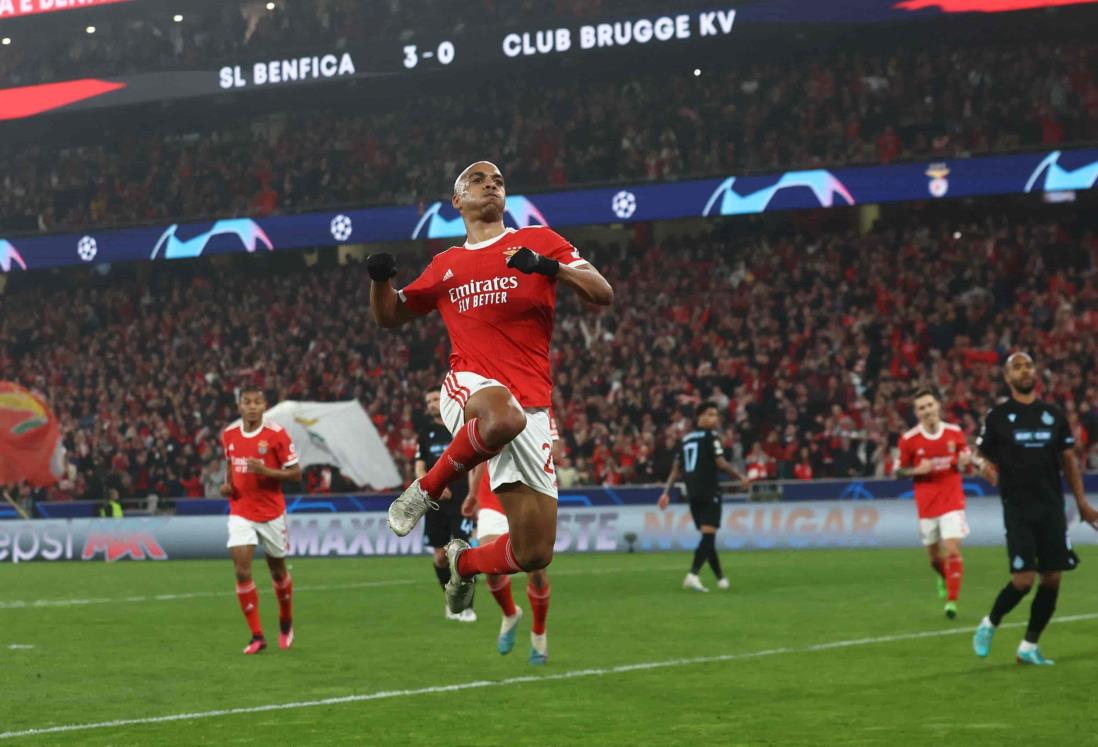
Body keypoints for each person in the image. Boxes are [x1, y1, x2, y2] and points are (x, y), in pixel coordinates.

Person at [368, 160, 612, 614]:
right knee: (503, 414)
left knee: (535, 553)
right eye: (478, 180)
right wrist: (380, 280)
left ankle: (465, 564)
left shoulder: (539, 241)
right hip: (470, 387)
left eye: (498, 181)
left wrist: (548, 267)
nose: (492, 185)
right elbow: (389, 316)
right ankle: (424, 491)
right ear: (457, 200)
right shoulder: (447, 265)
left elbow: (602, 291)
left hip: (533, 407)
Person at [971, 353, 1098, 665]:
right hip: (1018, 509)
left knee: (1052, 579)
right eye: (1017, 366)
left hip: (1052, 508)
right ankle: (990, 623)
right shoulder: (998, 416)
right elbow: (980, 455)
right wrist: (983, 467)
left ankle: (1029, 646)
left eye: (1028, 365)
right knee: (1023, 580)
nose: (1024, 370)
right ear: (1007, 377)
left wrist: (1082, 502)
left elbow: (1068, 460)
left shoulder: (1052, 415)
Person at [221, 385, 302, 655]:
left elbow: (295, 474)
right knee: (242, 570)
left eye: (257, 402)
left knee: (277, 570)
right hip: (241, 511)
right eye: (247, 402)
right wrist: (227, 486)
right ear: (240, 406)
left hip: (271, 513)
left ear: (264, 405)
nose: (252, 406)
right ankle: (256, 635)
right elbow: (229, 466)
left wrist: (264, 470)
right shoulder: (229, 435)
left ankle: (286, 620)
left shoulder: (276, 435)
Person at [896, 388, 972, 619]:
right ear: (917, 414)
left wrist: (964, 461)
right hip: (927, 504)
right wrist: (916, 470)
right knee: (933, 558)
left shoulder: (955, 432)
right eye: (922, 408)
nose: (927, 410)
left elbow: (963, 461)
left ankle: (951, 601)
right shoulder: (909, 440)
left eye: (930, 405)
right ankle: (942, 576)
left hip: (952, 499)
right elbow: (898, 471)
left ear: (938, 405)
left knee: (951, 549)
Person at [465, 463, 552, 665]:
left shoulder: (546, 428)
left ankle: (539, 633)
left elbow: (552, 454)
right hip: (492, 496)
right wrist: (473, 494)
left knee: (537, 572)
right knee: (491, 567)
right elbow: (476, 455)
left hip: (529, 496)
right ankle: (510, 614)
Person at [657, 402, 749, 592]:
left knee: (708, 537)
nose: (714, 418)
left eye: (716, 415)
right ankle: (693, 574)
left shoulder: (686, 439)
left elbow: (676, 469)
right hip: (708, 491)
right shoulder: (711, 436)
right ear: (700, 417)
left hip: (692, 493)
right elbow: (721, 463)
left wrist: (666, 492)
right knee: (708, 536)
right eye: (710, 414)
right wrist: (740, 476)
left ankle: (721, 578)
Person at [416, 389, 478, 622]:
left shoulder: (460, 426)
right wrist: (429, 487)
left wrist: (474, 494)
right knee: (440, 557)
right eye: (428, 401)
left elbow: (474, 464)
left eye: (434, 399)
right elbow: (420, 466)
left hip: (461, 500)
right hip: (435, 502)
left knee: (462, 553)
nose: (432, 404)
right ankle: (452, 603)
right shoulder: (425, 433)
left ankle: (468, 606)